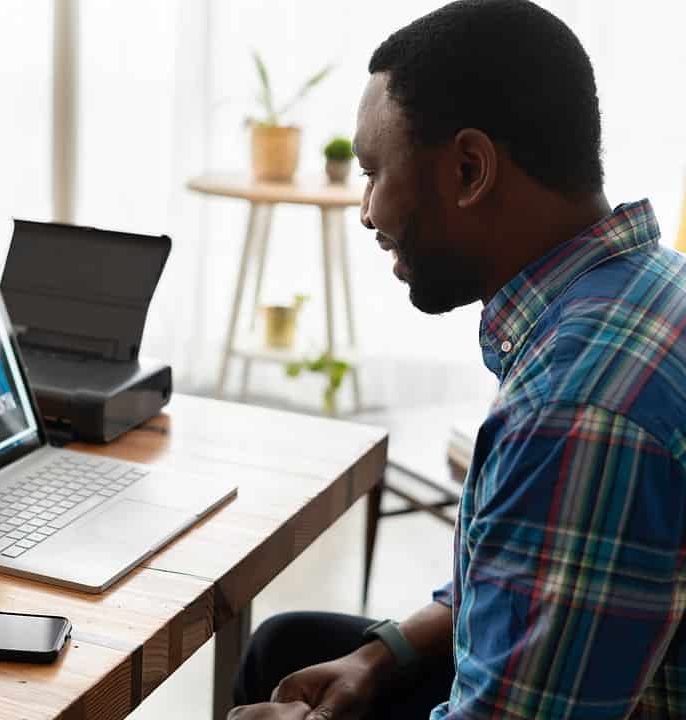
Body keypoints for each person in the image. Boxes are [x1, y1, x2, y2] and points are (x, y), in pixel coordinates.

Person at [229, 1, 686, 719]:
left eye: (374, 171)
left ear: (469, 170)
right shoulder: (645, 288)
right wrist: (381, 655)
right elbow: (526, 579)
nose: (367, 212)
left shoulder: (575, 409)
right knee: (287, 647)